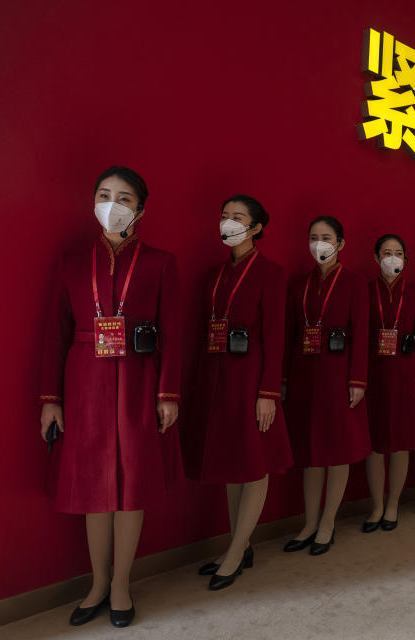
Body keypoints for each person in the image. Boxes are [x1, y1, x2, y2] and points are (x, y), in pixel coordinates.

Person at [38, 166, 182, 628]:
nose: (112, 205)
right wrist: (50, 399)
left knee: (131, 484)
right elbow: (54, 335)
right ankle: (97, 582)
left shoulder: (160, 262)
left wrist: (168, 393)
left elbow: (173, 335)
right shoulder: (72, 261)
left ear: (140, 208)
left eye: (124, 198)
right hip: (84, 380)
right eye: (104, 194)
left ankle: (121, 584)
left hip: (139, 379)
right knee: (92, 488)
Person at [183, 194, 293, 589]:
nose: (228, 222)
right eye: (224, 215)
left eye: (238, 217)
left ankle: (237, 550)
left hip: (251, 379)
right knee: (231, 460)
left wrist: (269, 393)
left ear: (257, 227)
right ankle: (238, 544)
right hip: (217, 376)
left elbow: (276, 337)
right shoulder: (213, 274)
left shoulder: (271, 273)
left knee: (254, 460)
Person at [282, 216, 371, 555]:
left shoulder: (353, 282)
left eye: (326, 237)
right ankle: (309, 522)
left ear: (341, 244)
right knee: (310, 454)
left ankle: (328, 522)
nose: (319, 243)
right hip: (305, 374)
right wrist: (285, 380)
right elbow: (290, 336)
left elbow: (361, 333)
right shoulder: (299, 284)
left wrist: (357, 380)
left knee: (336, 451)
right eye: (313, 236)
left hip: (339, 376)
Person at [362, 234, 415, 532]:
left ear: (406, 260)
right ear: (376, 258)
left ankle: (393, 505)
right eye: (386, 253)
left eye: (398, 253)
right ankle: (377, 505)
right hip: (373, 375)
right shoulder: (365, 291)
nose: (393, 258)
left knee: (401, 443)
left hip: (405, 375)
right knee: (375, 445)